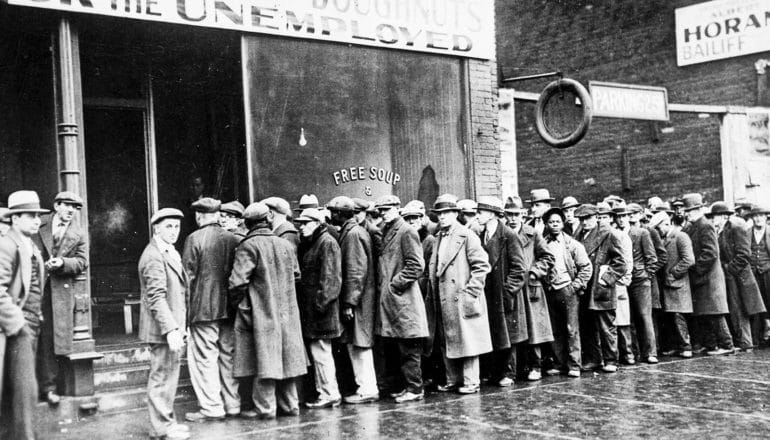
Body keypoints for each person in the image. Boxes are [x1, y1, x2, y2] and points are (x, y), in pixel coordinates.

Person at [229, 202, 307, 419]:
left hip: (260, 313)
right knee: (287, 361)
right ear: (268, 220)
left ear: (247, 223)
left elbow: (237, 284)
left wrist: (242, 306)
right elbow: (296, 275)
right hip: (287, 314)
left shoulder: (248, 246)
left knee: (263, 360)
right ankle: (291, 406)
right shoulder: (284, 245)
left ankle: (266, 409)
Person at [182, 198, 241, 422]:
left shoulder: (194, 238)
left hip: (203, 309)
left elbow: (188, 278)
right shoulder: (233, 238)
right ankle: (233, 404)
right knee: (228, 356)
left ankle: (212, 407)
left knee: (205, 358)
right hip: (229, 308)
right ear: (217, 214)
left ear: (199, 216)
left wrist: (185, 315)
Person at [428, 194, 492, 394]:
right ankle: (453, 379)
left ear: (455, 214)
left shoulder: (467, 236)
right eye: (439, 214)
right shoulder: (439, 237)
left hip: (461, 296)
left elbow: (482, 266)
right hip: (443, 294)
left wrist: (470, 292)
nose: (442, 217)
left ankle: (471, 381)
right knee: (447, 338)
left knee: (468, 340)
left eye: (447, 213)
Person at [0, 191, 49, 440]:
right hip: (16, 329)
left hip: (30, 325)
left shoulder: (28, 244)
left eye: (38, 216)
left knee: (23, 392)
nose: (36, 220)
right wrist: (18, 324)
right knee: (24, 392)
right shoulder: (7, 245)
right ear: (15, 218)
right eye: (31, 216)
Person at [138, 207, 190, 440]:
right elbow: (156, 297)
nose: (174, 231)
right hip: (162, 329)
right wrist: (171, 329)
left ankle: (167, 423)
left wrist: (180, 326)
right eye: (168, 226)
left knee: (168, 376)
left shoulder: (168, 252)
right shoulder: (154, 256)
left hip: (172, 326)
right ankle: (161, 428)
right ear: (156, 228)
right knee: (161, 377)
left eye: (177, 226)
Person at [34, 191, 88, 406]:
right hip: (33, 286)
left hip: (58, 292)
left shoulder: (78, 233)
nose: (71, 211)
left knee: (51, 339)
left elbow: (82, 262)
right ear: (56, 205)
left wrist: (63, 263)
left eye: (75, 208)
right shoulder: (39, 222)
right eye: (67, 206)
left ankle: (49, 388)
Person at [374, 195, 429, 403]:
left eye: (387, 209)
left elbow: (416, 265)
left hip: (404, 299)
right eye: (380, 210)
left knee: (409, 347)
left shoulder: (406, 231)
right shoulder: (389, 230)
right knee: (400, 346)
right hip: (395, 300)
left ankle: (415, 389)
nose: (383, 213)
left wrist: (395, 284)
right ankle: (409, 387)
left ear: (397, 209)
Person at [328, 196, 379, 404]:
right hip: (359, 299)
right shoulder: (353, 232)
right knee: (357, 343)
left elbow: (355, 272)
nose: (331, 216)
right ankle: (365, 387)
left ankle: (367, 389)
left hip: (358, 301)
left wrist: (349, 303)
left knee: (360, 344)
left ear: (341, 214)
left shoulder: (353, 235)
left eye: (333, 212)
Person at [294, 208, 343, 409]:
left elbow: (331, 280)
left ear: (317, 223)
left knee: (321, 353)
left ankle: (329, 393)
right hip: (318, 310)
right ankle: (326, 392)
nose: (301, 226)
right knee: (319, 353)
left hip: (321, 311)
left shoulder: (326, 243)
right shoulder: (318, 242)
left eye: (306, 223)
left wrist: (320, 304)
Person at [476, 196, 527, 387]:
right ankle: (496, 371)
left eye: (480, 212)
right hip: (489, 292)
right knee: (495, 332)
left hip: (504, 294)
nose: (477, 216)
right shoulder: (482, 235)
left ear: (491, 214)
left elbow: (519, 268)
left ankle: (509, 373)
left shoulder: (508, 235)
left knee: (509, 335)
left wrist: (507, 291)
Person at [708, 202, 766, 352]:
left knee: (739, 309)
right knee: (734, 309)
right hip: (731, 276)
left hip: (739, 276)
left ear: (723, 216)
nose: (713, 219)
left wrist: (730, 269)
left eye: (715, 216)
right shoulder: (720, 231)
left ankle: (745, 343)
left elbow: (744, 254)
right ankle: (742, 342)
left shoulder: (735, 228)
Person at [574, 204, 626, 373]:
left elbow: (621, 264)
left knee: (606, 326)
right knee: (587, 326)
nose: (585, 222)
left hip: (601, 288)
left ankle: (611, 360)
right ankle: (593, 359)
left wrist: (605, 279)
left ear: (596, 217)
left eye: (588, 218)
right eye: (581, 219)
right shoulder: (578, 235)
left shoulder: (608, 234)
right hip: (585, 288)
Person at [680, 193, 734, 356]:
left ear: (698, 210)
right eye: (687, 210)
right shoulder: (690, 227)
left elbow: (710, 253)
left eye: (690, 210)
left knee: (715, 313)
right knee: (704, 313)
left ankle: (727, 343)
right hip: (701, 277)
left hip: (709, 277)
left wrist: (695, 269)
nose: (687, 213)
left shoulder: (705, 225)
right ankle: (711, 345)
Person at [542, 207, 592, 377]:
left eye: (557, 222)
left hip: (567, 290)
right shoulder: (543, 243)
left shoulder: (572, 244)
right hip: (551, 290)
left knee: (572, 329)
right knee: (555, 329)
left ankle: (574, 365)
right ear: (546, 224)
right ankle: (559, 363)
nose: (554, 225)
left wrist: (575, 286)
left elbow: (586, 267)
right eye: (551, 222)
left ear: (563, 224)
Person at [517, 197, 555, 381]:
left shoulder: (532, 234)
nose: (512, 218)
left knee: (535, 329)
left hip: (531, 288)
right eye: (508, 215)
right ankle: (521, 366)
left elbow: (547, 257)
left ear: (522, 215)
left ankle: (536, 366)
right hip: (514, 287)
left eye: (516, 214)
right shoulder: (506, 234)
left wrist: (534, 272)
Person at [615, 203, 659, 364]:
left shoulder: (641, 233)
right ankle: (635, 352)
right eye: (618, 217)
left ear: (628, 217)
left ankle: (651, 352)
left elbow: (652, 259)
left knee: (644, 316)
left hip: (640, 280)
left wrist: (646, 275)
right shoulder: (616, 235)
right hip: (625, 281)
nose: (621, 220)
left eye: (623, 216)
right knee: (629, 318)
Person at [650, 211, 695, 358]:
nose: (658, 231)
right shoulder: (666, 238)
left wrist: (673, 273)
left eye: (658, 227)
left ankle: (686, 346)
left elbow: (689, 259)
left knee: (678, 316)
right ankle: (677, 346)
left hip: (678, 284)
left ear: (666, 223)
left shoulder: (680, 236)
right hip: (670, 285)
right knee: (671, 317)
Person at [748, 205, 770, 344]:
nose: (758, 219)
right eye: (755, 216)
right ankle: (758, 335)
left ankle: (768, 330)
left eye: (761, 216)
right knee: (756, 302)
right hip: (753, 273)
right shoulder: (747, 232)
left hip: (768, 273)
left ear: (766, 217)